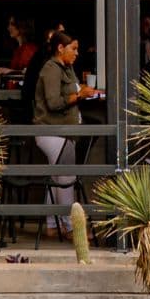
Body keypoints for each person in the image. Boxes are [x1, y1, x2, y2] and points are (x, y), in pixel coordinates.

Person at [31, 30, 99, 231]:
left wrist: (84, 91)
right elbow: (53, 103)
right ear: (60, 48)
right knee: (67, 178)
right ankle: (71, 227)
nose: (77, 53)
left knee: (56, 177)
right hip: (54, 132)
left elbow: (73, 90)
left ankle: (52, 225)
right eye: (74, 48)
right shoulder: (51, 69)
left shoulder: (67, 68)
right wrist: (79, 96)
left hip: (64, 132)